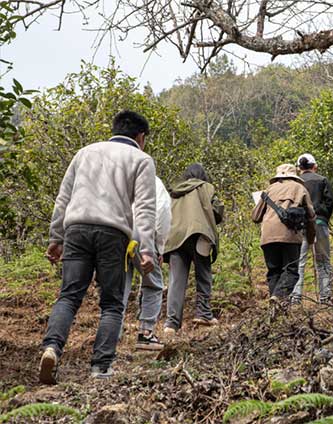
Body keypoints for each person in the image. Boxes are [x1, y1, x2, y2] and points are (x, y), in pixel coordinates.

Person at [40, 110, 156, 384]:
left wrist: (56, 238)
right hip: (113, 233)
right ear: (140, 137)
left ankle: (51, 348)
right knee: (112, 304)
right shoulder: (141, 159)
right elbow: (145, 208)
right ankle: (101, 368)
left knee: (69, 296)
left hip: (77, 228)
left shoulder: (85, 152)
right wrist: (147, 248)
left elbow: (63, 197)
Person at [163, 164, 224, 335]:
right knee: (203, 275)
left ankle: (171, 323)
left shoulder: (175, 190)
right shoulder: (207, 187)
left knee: (176, 281)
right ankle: (203, 313)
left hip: (176, 237)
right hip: (199, 234)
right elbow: (217, 211)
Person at [251, 164, 316, 305]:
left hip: (268, 237)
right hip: (290, 236)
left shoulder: (269, 189)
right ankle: (279, 298)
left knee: (274, 272)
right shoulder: (300, 189)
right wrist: (310, 238)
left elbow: (255, 217)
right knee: (291, 271)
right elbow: (311, 216)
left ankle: (277, 309)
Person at [121, 175, 172, 350]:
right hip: (143, 235)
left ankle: (113, 331)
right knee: (153, 284)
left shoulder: (122, 178)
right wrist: (159, 247)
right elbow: (163, 213)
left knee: (121, 284)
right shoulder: (155, 182)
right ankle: (146, 333)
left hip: (119, 233)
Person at [291, 153, 333, 304]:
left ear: (299, 168)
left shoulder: (296, 183)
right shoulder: (322, 180)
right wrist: (322, 217)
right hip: (320, 223)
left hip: (301, 225)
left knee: (299, 262)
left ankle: (296, 297)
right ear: (314, 166)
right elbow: (330, 202)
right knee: (323, 260)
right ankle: (326, 296)